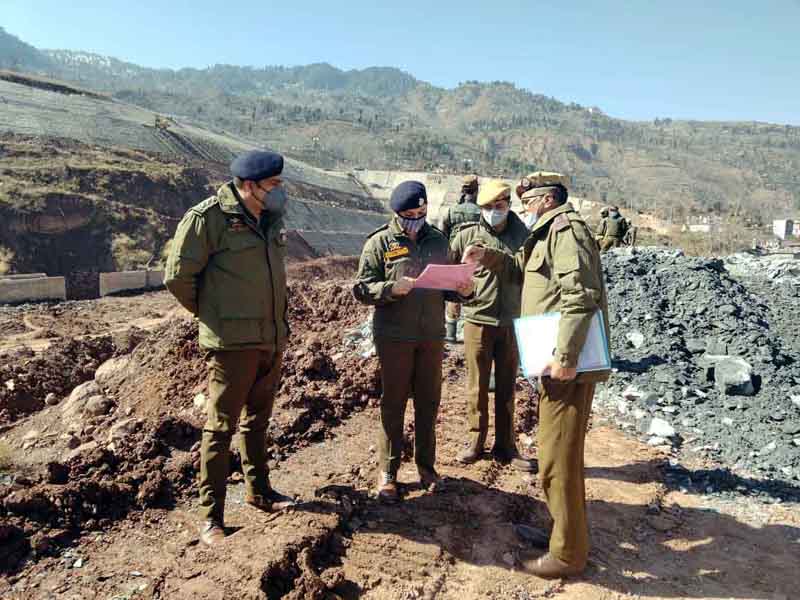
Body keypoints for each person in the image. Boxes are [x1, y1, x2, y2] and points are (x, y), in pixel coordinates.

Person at [463, 171, 610, 578]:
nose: (521, 207)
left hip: (566, 366)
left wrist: (566, 357)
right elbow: (520, 271)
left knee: (557, 461)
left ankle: (567, 554)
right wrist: (488, 257)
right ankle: (561, 532)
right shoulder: (545, 233)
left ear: (546, 200)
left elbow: (580, 296)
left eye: (527, 201)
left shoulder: (564, 230)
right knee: (555, 456)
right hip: (552, 358)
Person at [165, 149, 295, 546]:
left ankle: (260, 491)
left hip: (271, 338)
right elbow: (178, 277)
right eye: (273, 185)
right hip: (232, 344)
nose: (279, 192)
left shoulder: (270, 219)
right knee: (220, 428)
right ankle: (212, 517)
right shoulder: (208, 219)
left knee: (258, 422)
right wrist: (215, 316)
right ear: (249, 185)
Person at [353, 180, 474, 503]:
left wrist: (464, 289)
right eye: (411, 214)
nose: (417, 219)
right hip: (394, 336)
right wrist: (392, 289)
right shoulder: (379, 243)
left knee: (428, 403)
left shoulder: (437, 240)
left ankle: (426, 468)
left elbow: (448, 286)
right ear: (398, 213)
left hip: (431, 336)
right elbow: (362, 289)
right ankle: (388, 473)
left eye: (422, 213)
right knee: (393, 404)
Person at [449, 180, 534, 471]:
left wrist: (489, 256)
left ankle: (506, 445)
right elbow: (450, 274)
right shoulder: (465, 236)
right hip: (478, 320)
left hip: (512, 320)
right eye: (487, 207)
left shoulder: (523, 235)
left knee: (508, 386)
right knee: (477, 386)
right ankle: (475, 440)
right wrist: (457, 293)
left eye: (499, 206)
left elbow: (523, 270)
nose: (493, 212)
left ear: (508, 204)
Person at [441, 175, 482, 342]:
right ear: (476, 191)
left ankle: (451, 332)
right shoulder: (481, 212)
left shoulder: (452, 211)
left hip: (455, 253)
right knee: (475, 287)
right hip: (475, 254)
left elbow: (443, 234)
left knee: (454, 287)